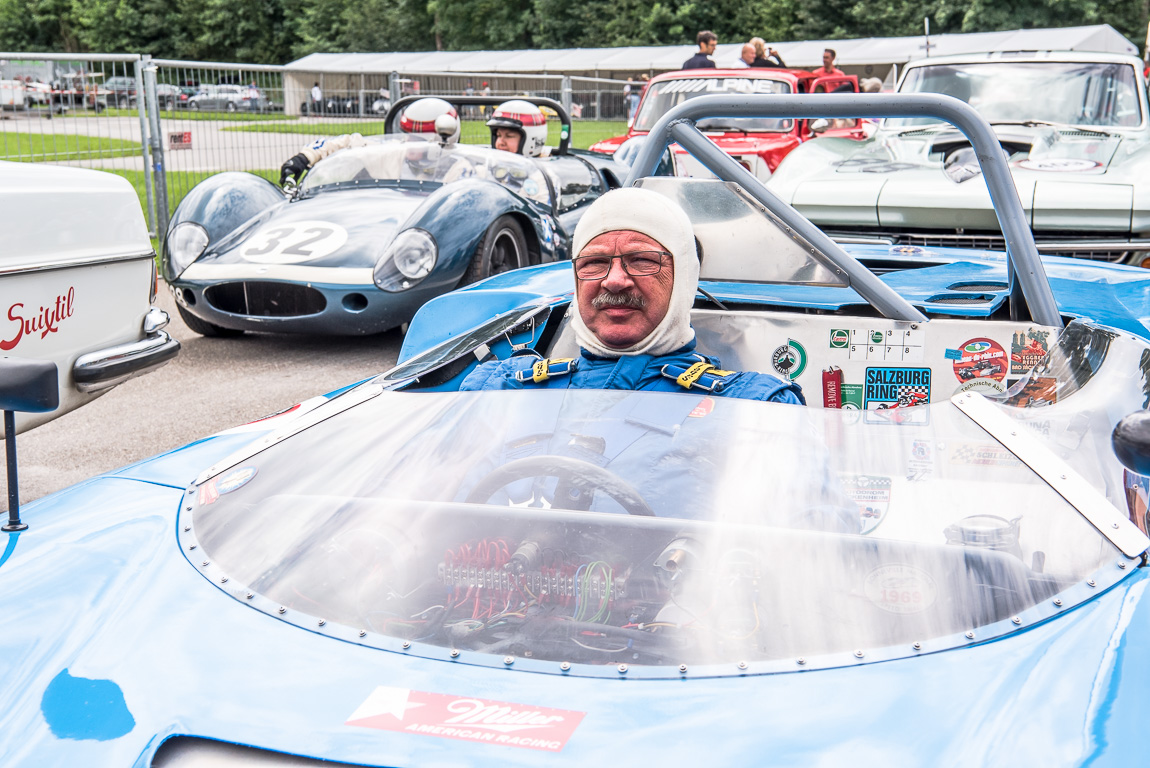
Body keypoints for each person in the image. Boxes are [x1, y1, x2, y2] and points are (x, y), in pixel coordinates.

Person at [460, 187, 804, 404]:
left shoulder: (757, 406)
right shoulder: (498, 388)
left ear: (683, 278)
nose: (614, 281)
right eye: (594, 263)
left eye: (641, 260)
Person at [279, 97, 462, 185]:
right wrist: (305, 157)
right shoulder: (392, 154)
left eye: (419, 139)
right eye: (408, 135)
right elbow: (349, 143)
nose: (410, 143)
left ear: (444, 138)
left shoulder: (461, 170)